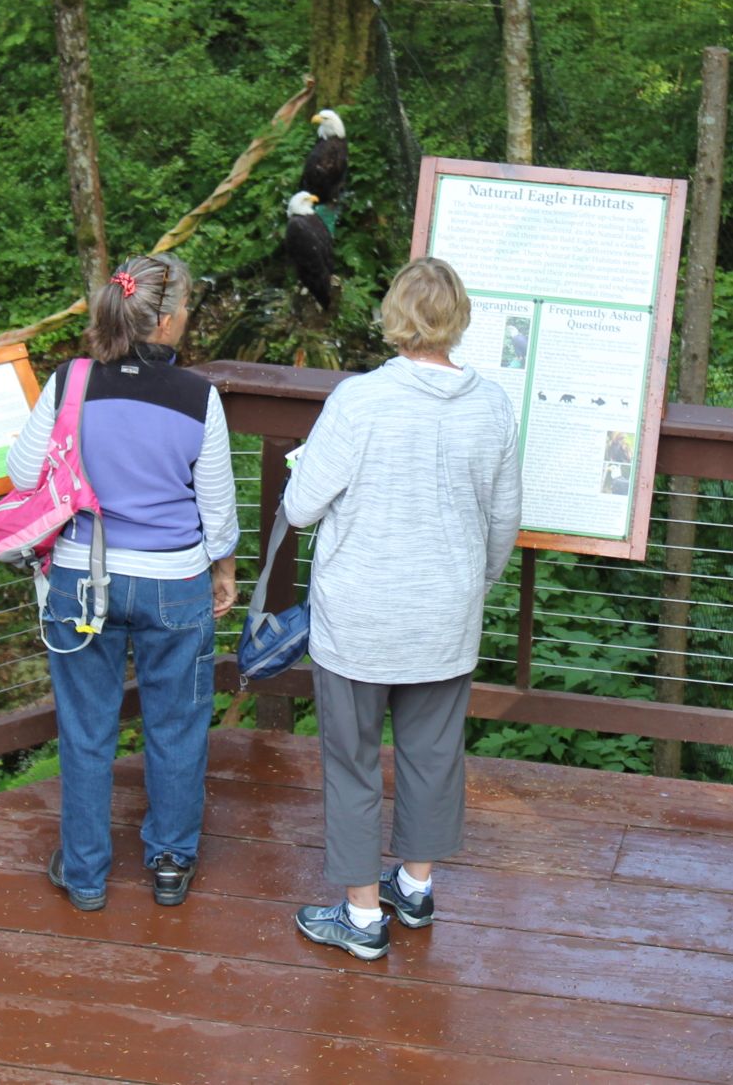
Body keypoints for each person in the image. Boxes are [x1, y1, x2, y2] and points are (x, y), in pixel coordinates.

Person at [283, 257, 522, 959]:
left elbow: (299, 510)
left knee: (353, 762)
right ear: (459, 317)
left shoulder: (359, 401)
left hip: (358, 617)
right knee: (434, 754)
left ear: (395, 315)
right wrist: (469, 587)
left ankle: (360, 920)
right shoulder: (493, 405)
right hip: (445, 613)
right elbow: (502, 522)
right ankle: (414, 888)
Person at [6, 253, 239, 911]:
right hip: (174, 585)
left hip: (84, 576)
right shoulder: (199, 396)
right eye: (187, 307)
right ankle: (169, 863)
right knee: (178, 725)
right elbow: (217, 511)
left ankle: (83, 874)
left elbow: (23, 474)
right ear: (165, 320)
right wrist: (222, 569)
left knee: (85, 729)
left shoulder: (72, 381)